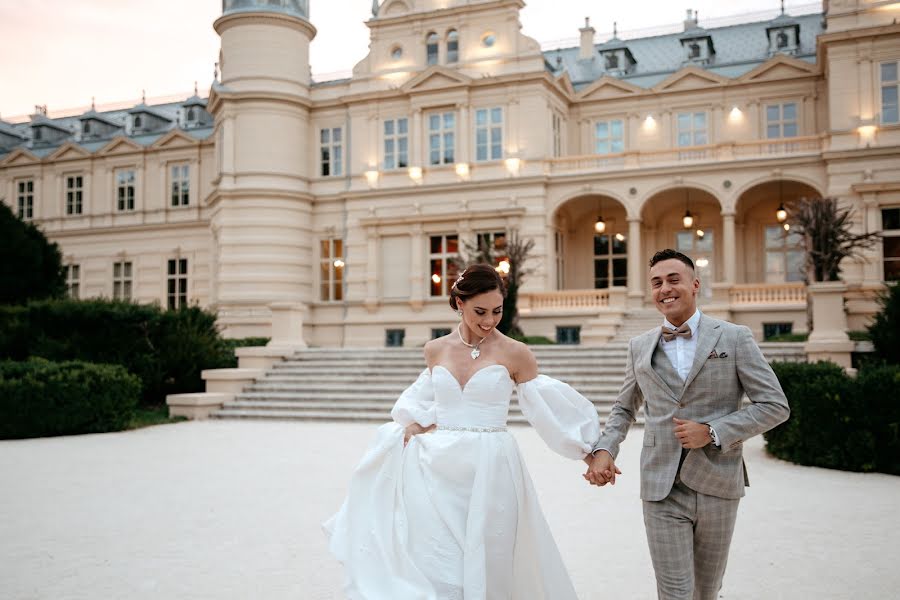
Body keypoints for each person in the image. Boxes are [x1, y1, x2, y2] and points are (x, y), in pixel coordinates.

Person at [324, 263, 601, 600]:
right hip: (436, 467)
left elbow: (546, 411)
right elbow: (425, 403)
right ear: (458, 303)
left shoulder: (516, 353)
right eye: (479, 311)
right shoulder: (435, 349)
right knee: (437, 560)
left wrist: (589, 452)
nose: (489, 320)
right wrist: (408, 428)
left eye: (497, 311)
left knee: (490, 558)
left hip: (491, 467)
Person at [585, 249, 791, 600]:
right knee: (675, 593)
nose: (665, 288)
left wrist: (713, 431)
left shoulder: (734, 337)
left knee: (706, 591)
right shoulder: (638, 347)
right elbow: (623, 408)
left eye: (673, 279)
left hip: (718, 483)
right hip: (661, 486)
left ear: (695, 285)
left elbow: (775, 405)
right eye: (656, 282)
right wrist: (604, 449)